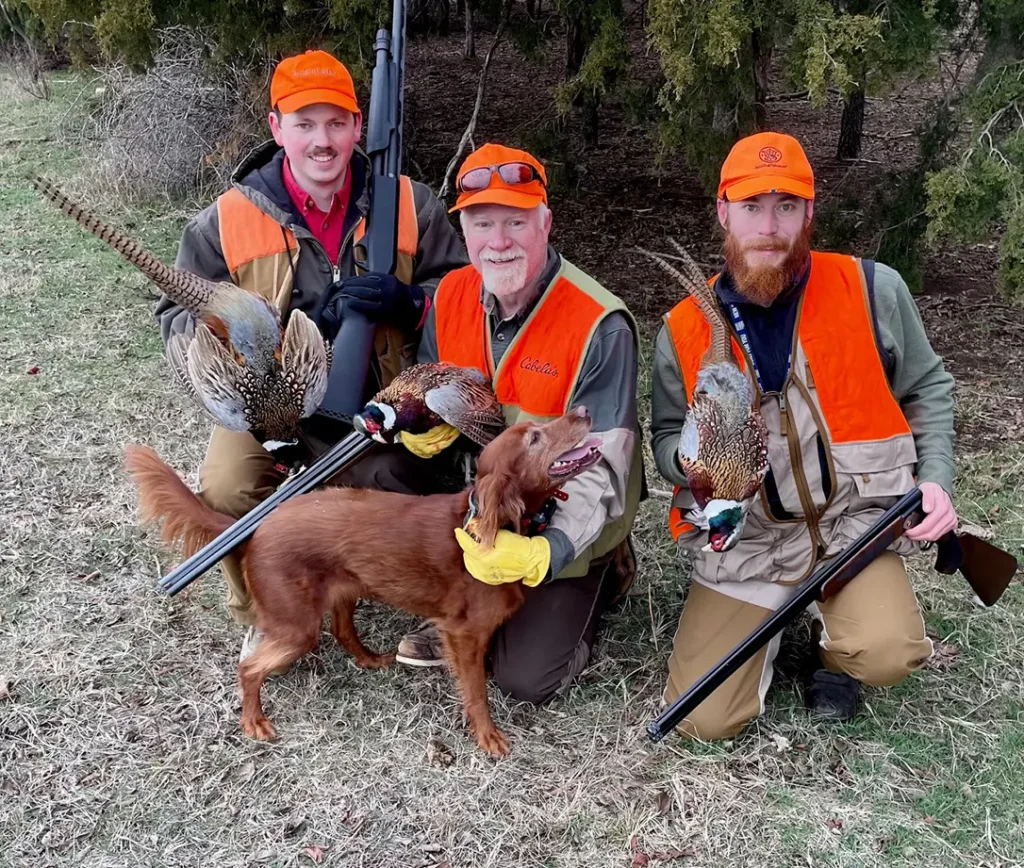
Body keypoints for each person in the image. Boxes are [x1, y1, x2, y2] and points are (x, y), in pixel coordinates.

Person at [155, 49, 468, 658]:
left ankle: (419, 596)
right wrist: (263, 347)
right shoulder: (224, 220)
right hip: (268, 402)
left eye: (335, 123)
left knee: (422, 482)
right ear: (276, 128)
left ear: (357, 127)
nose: (321, 142)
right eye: (304, 124)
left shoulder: (412, 205)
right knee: (226, 485)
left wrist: (410, 303)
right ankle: (273, 609)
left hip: (382, 399)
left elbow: (463, 292)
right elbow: (176, 319)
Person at [650, 131, 957, 739]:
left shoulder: (872, 290)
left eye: (786, 206)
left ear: (810, 212)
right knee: (703, 721)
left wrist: (936, 480)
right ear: (723, 212)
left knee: (888, 651)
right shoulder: (681, 330)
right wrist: (696, 463)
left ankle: (833, 648)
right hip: (752, 544)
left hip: (853, 528)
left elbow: (928, 390)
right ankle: (786, 617)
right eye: (751, 207)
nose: (769, 226)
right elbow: (662, 436)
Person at [392, 143, 646, 703]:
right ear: (463, 231)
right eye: (483, 223)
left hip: (564, 514)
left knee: (524, 678)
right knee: (385, 464)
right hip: (485, 504)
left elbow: (602, 465)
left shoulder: (599, 323)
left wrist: (547, 551)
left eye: (516, 221)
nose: (499, 241)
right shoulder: (451, 295)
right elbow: (432, 389)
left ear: (546, 223)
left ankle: (605, 573)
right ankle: (465, 593)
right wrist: (425, 433)